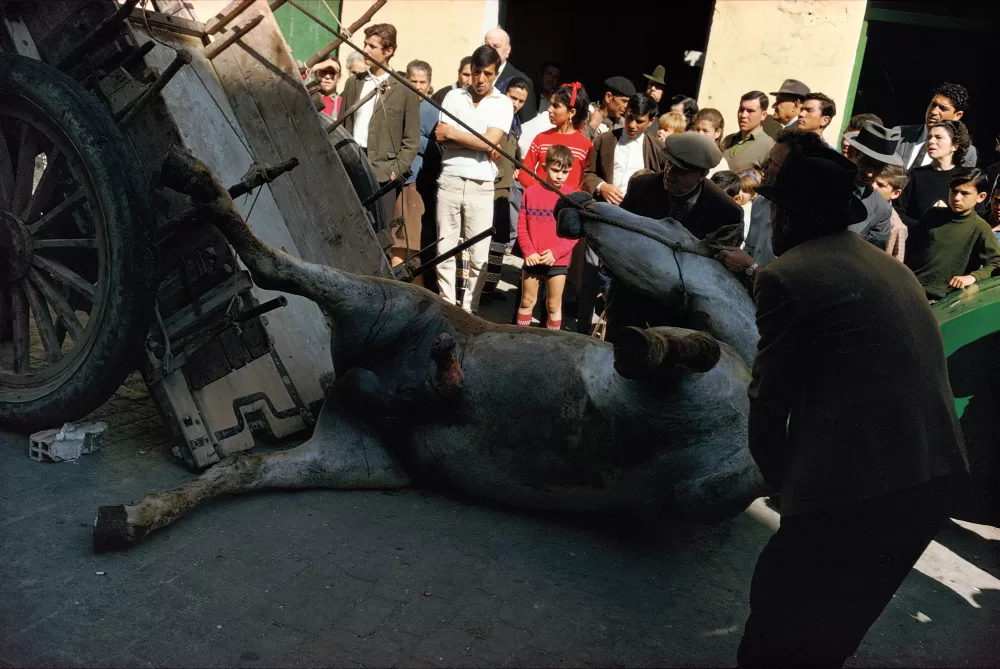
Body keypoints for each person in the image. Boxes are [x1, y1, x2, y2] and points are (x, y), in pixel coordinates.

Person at [736, 144, 968, 669]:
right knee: (832, 631)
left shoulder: (789, 274)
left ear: (786, 214)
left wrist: (780, 483)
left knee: (778, 618)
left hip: (863, 482)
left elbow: (768, 402)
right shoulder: (888, 267)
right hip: (934, 474)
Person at [433, 44, 514, 313]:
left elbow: (490, 140)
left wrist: (457, 135)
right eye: (476, 72)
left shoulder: (502, 103)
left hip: (481, 184)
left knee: (479, 253)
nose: (479, 80)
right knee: (445, 248)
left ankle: (469, 308)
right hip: (451, 178)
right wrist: (481, 142)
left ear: (496, 73)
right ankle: (446, 304)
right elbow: (441, 135)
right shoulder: (453, 97)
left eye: (487, 74)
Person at [341, 24, 420, 268]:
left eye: (372, 46)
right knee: (348, 224)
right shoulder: (354, 84)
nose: (364, 50)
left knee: (379, 234)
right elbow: (343, 123)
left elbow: (411, 139)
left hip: (384, 172)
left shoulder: (404, 89)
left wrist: (396, 169)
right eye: (365, 44)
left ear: (389, 51)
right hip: (352, 162)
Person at [717, 129, 829, 285]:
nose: (764, 165)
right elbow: (750, 249)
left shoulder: (809, 221)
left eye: (773, 162)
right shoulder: (760, 202)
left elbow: (794, 284)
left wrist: (751, 266)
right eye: (768, 159)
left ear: (794, 171)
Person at [621, 132, 744, 243]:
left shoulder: (727, 213)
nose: (669, 172)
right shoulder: (640, 187)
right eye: (669, 163)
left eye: (681, 170)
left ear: (702, 175)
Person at [904, 168, 1000, 300]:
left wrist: (972, 277)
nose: (956, 198)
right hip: (909, 287)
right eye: (954, 191)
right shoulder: (932, 214)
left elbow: (996, 263)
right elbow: (910, 249)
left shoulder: (980, 227)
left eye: (965, 193)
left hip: (939, 298)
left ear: (981, 197)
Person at [515, 144, 578, 330]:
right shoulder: (530, 193)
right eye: (555, 170)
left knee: (553, 305)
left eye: (565, 172)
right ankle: (520, 340)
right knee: (527, 302)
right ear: (544, 167)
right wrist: (528, 251)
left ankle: (552, 345)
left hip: (557, 260)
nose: (560, 176)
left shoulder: (571, 197)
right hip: (533, 258)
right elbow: (521, 226)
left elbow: (574, 234)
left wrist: (556, 252)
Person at [481, 76, 530, 300]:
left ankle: (489, 288)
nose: (516, 104)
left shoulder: (515, 123)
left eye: (521, 101)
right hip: (485, 186)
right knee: (480, 239)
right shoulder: (490, 116)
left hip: (504, 188)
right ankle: (475, 288)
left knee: (499, 241)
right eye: (513, 97)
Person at [582, 92, 664, 204]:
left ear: (651, 121)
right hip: (604, 208)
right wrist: (602, 186)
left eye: (639, 121)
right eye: (629, 117)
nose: (632, 125)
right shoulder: (604, 140)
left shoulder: (658, 149)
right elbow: (588, 174)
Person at [894, 120, 972, 230]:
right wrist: (922, 227)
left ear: (954, 146)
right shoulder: (915, 175)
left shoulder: (967, 178)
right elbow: (899, 211)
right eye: (929, 137)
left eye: (938, 137)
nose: (931, 141)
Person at [517, 83, 592, 191]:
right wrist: (539, 190)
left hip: (568, 205)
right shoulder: (541, 138)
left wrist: (571, 198)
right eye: (550, 104)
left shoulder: (585, 146)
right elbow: (524, 172)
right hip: (540, 203)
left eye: (555, 106)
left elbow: (586, 182)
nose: (549, 109)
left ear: (571, 112)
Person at [894, 82, 978, 168]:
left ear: (957, 115)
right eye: (933, 104)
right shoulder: (899, 134)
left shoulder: (966, 153)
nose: (933, 112)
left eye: (943, 108)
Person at [484, 27, 537, 121]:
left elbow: (527, 122)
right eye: (487, 46)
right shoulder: (474, 72)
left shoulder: (522, 79)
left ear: (508, 50)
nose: (490, 50)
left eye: (496, 46)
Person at [722, 91, 775, 172]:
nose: (743, 115)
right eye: (741, 109)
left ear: (763, 115)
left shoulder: (770, 147)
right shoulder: (728, 140)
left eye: (750, 111)